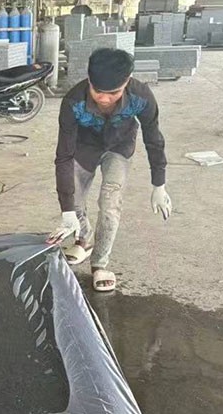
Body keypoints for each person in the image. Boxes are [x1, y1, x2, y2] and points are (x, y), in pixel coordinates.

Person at [47, 47, 172, 292]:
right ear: (89, 80)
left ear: (127, 82)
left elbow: (154, 139)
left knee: (110, 202)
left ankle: (100, 264)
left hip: (119, 146)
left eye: (113, 93)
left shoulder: (141, 97)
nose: (104, 99)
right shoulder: (73, 101)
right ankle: (84, 239)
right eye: (98, 92)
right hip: (83, 147)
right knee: (75, 201)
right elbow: (63, 156)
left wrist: (159, 184)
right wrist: (67, 211)